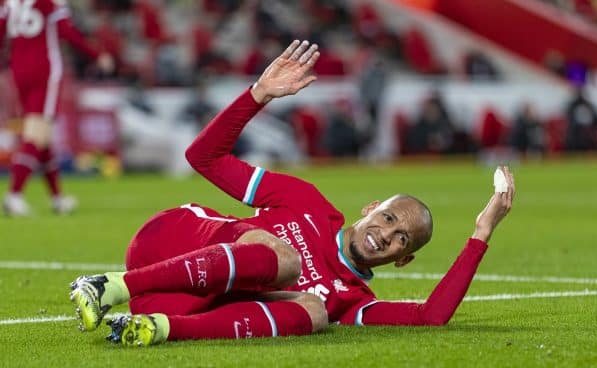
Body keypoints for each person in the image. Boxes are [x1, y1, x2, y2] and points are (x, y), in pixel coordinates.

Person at [69, 40, 515, 347]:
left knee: (315, 313)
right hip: (168, 243)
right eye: (390, 217)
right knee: (285, 259)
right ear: (370, 207)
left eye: (402, 240)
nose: (387, 234)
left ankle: (157, 329)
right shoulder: (309, 203)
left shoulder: (352, 301)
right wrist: (258, 94)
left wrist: (481, 233)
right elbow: (203, 158)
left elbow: (429, 317)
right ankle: (108, 286)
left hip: (188, 299)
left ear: (402, 260)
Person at [0, 0, 114, 216]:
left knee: (44, 137)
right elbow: (67, 32)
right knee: (36, 133)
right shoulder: (50, 2)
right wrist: (96, 55)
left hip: (19, 69)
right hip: (44, 69)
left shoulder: (10, 2)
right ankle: (14, 195)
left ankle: (58, 198)